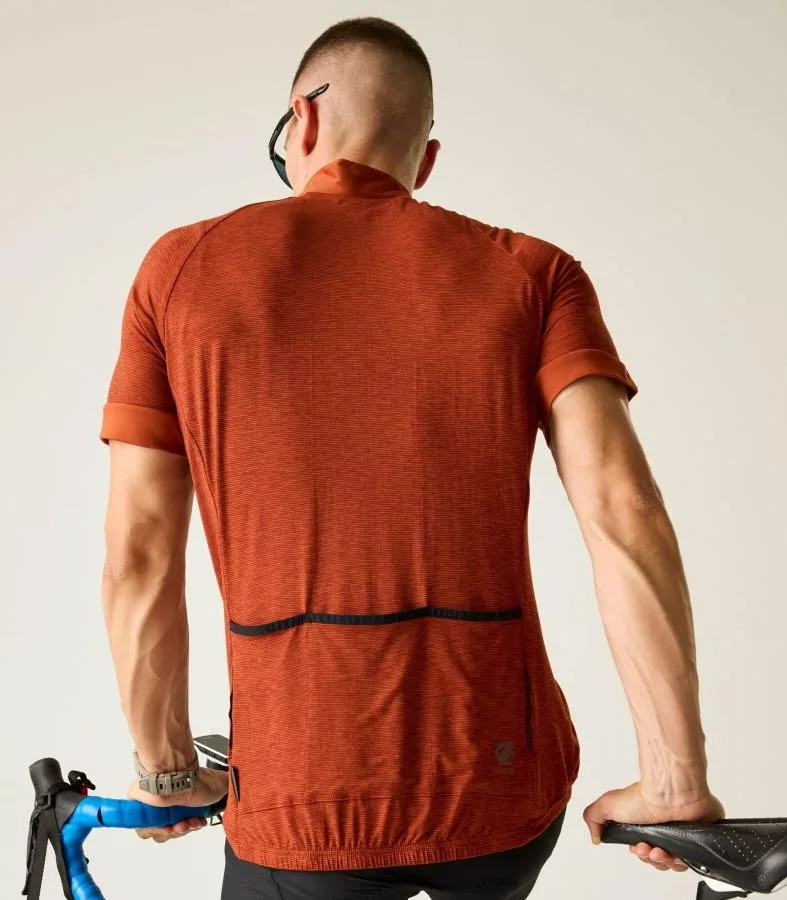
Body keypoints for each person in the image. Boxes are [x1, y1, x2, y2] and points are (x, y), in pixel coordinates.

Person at [98, 15, 724, 900]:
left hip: (303, 798)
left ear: (302, 121)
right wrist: (674, 782)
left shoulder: (180, 271)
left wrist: (167, 770)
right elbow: (626, 513)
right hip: (499, 782)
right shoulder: (535, 273)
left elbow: (138, 554)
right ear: (423, 163)